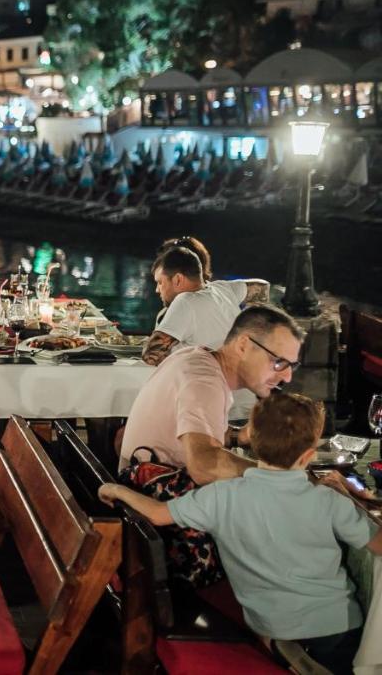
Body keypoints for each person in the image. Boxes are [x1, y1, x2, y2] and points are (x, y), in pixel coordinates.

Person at [102, 393, 380, 674]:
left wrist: (117, 489)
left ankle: (289, 654)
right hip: (335, 625)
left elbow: (158, 514)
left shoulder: (221, 495)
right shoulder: (328, 501)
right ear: (308, 455)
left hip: (269, 622)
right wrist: (356, 498)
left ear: (250, 438)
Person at [120, 305, 306, 482]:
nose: (288, 377)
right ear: (243, 345)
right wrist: (282, 478)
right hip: (154, 505)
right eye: (279, 362)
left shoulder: (194, 357)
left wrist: (239, 437)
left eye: (292, 365)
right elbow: (205, 466)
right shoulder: (204, 380)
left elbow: (194, 433)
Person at [142, 246, 270, 367]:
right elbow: (262, 286)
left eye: (160, 282)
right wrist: (255, 329)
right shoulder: (222, 289)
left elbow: (151, 356)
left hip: (204, 384)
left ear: (178, 279)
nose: (157, 290)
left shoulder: (185, 301)